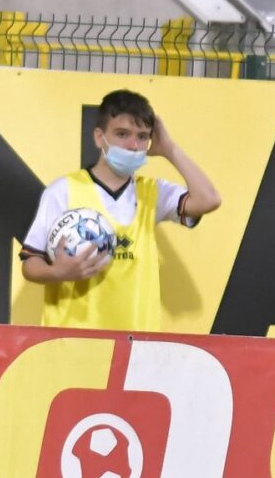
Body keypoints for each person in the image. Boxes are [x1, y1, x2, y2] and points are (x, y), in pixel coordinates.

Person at [19, 89, 221, 331]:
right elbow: (30, 263)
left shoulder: (153, 193)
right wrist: (58, 272)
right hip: (75, 342)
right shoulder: (63, 191)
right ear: (99, 137)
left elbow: (209, 199)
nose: (133, 145)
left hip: (135, 344)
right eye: (122, 134)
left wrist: (169, 149)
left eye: (143, 137)